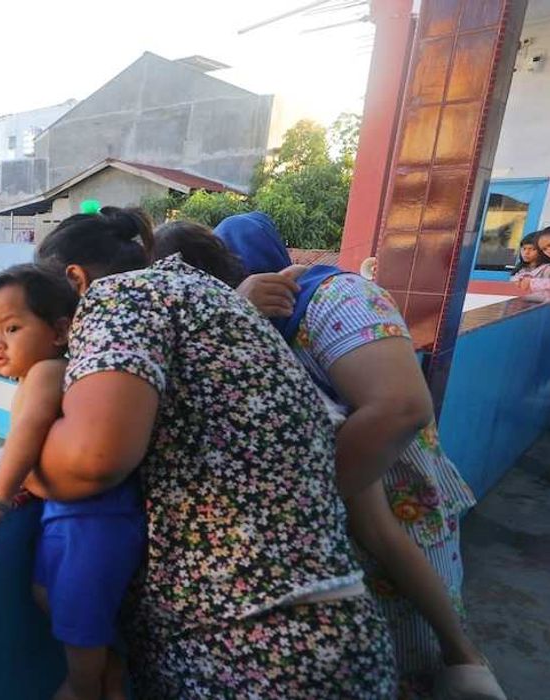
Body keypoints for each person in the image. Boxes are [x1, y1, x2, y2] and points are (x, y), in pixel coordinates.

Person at [26, 206, 395, 698]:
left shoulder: (117, 298)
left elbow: (95, 462)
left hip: (250, 647)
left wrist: (17, 468)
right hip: (322, 630)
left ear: (75, 280)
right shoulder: (215, 298)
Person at [213, 211, 499, 700]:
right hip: (337, 524)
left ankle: (465, 662)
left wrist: (303, 509)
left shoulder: (337, 297)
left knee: (420, 656)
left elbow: (401, 408)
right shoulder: (251, 328)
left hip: (393, 496)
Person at [0, 263, 145, 700]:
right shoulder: (35, 376)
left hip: (92, 521)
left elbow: (28, 432)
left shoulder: (50, 370)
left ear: (60, 331)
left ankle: (83, 689)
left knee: (79, 623)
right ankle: (110, 669)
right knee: (47, 594)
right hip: (64, 518)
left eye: (11, 328)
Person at [512, 229, 550, 296]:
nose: (526, 253)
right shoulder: (522, 269)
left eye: (533, 249)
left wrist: (531, 282)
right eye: (544, 249)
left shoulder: (547, 268)